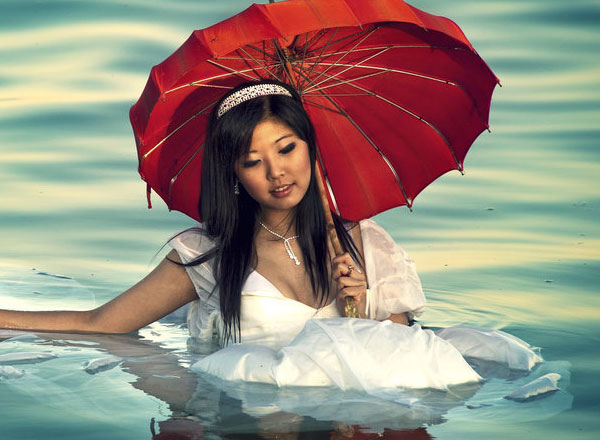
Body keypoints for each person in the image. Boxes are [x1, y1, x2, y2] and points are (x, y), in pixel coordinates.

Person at [0, 80, 541, 392]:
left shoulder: (366, 242)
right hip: (250, 410)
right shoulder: (206, 255)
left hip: (362, 418)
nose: (277, 173)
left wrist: (360, 301)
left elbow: (402, 350)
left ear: (309, 147)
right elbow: (100, 325)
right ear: (233, 174)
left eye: (287, 149)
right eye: (253, 161)